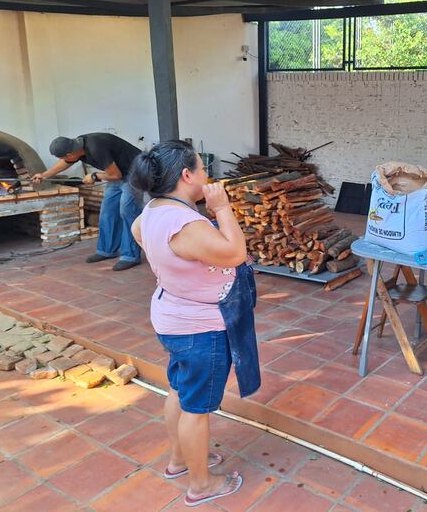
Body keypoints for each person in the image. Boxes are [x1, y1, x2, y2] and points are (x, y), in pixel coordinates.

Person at [129, 140, 260, 507]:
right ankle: (201, 485)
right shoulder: (185, 223)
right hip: (200, 327)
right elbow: (235, 254)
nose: (207, 175)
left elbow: (139, 232)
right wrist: (222, 208)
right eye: (202, 169)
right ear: (187, 175)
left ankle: (178, 461)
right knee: (197, 407)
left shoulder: (154, 209)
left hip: (172, 316)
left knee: (179, 390)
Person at [33, 133, 143, 271]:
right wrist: (44, 175)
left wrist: (94, 176)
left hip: (136, 173)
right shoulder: (77, 147)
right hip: (119, 174)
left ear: (70, 154)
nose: (64, 160)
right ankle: (106, 250)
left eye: (64, 157)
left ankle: (130, 256)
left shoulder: (96, 147)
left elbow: (115, 175)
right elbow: (65, 162)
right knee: (107, 212)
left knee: (127, 211)